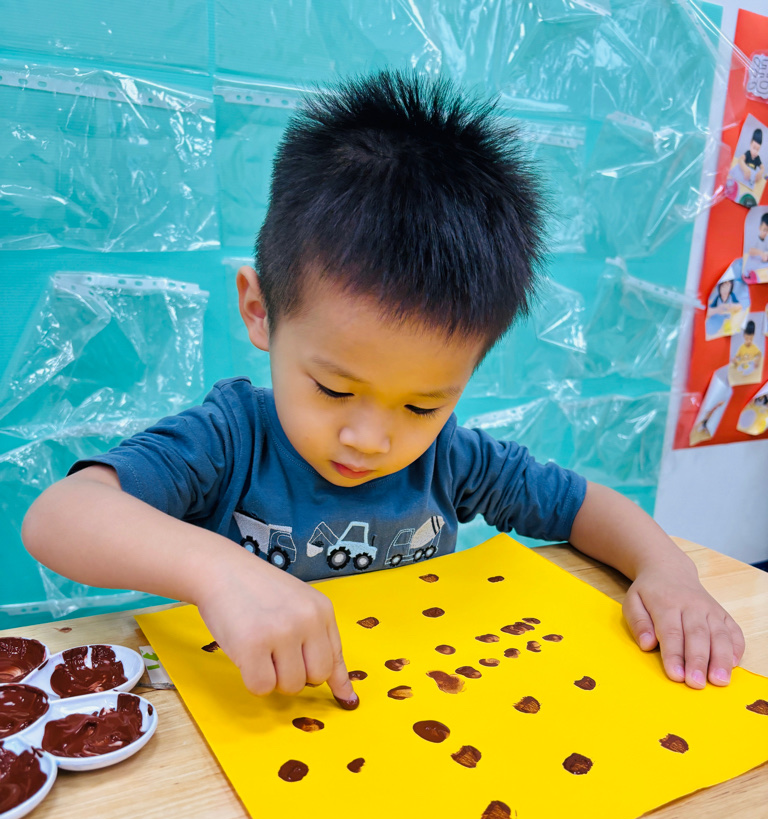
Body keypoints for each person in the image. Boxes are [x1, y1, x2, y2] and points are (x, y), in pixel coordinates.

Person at [22, 71, 744, 705]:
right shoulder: (229, 440)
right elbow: (59, 518)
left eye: (422, 405)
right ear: (260, 311)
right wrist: (216, 571)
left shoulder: (452, 459)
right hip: (258, 722)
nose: (369, 439)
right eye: (334, 390)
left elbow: (584, 507)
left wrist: (667, 570)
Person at [743, 212, 768, 279]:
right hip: (750, 269)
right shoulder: (755, 238)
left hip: (761, 266)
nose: (766, 233)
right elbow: (750, 251)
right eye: (765, 230)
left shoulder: (766, 240)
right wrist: (761, 253)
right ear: (760, 228)